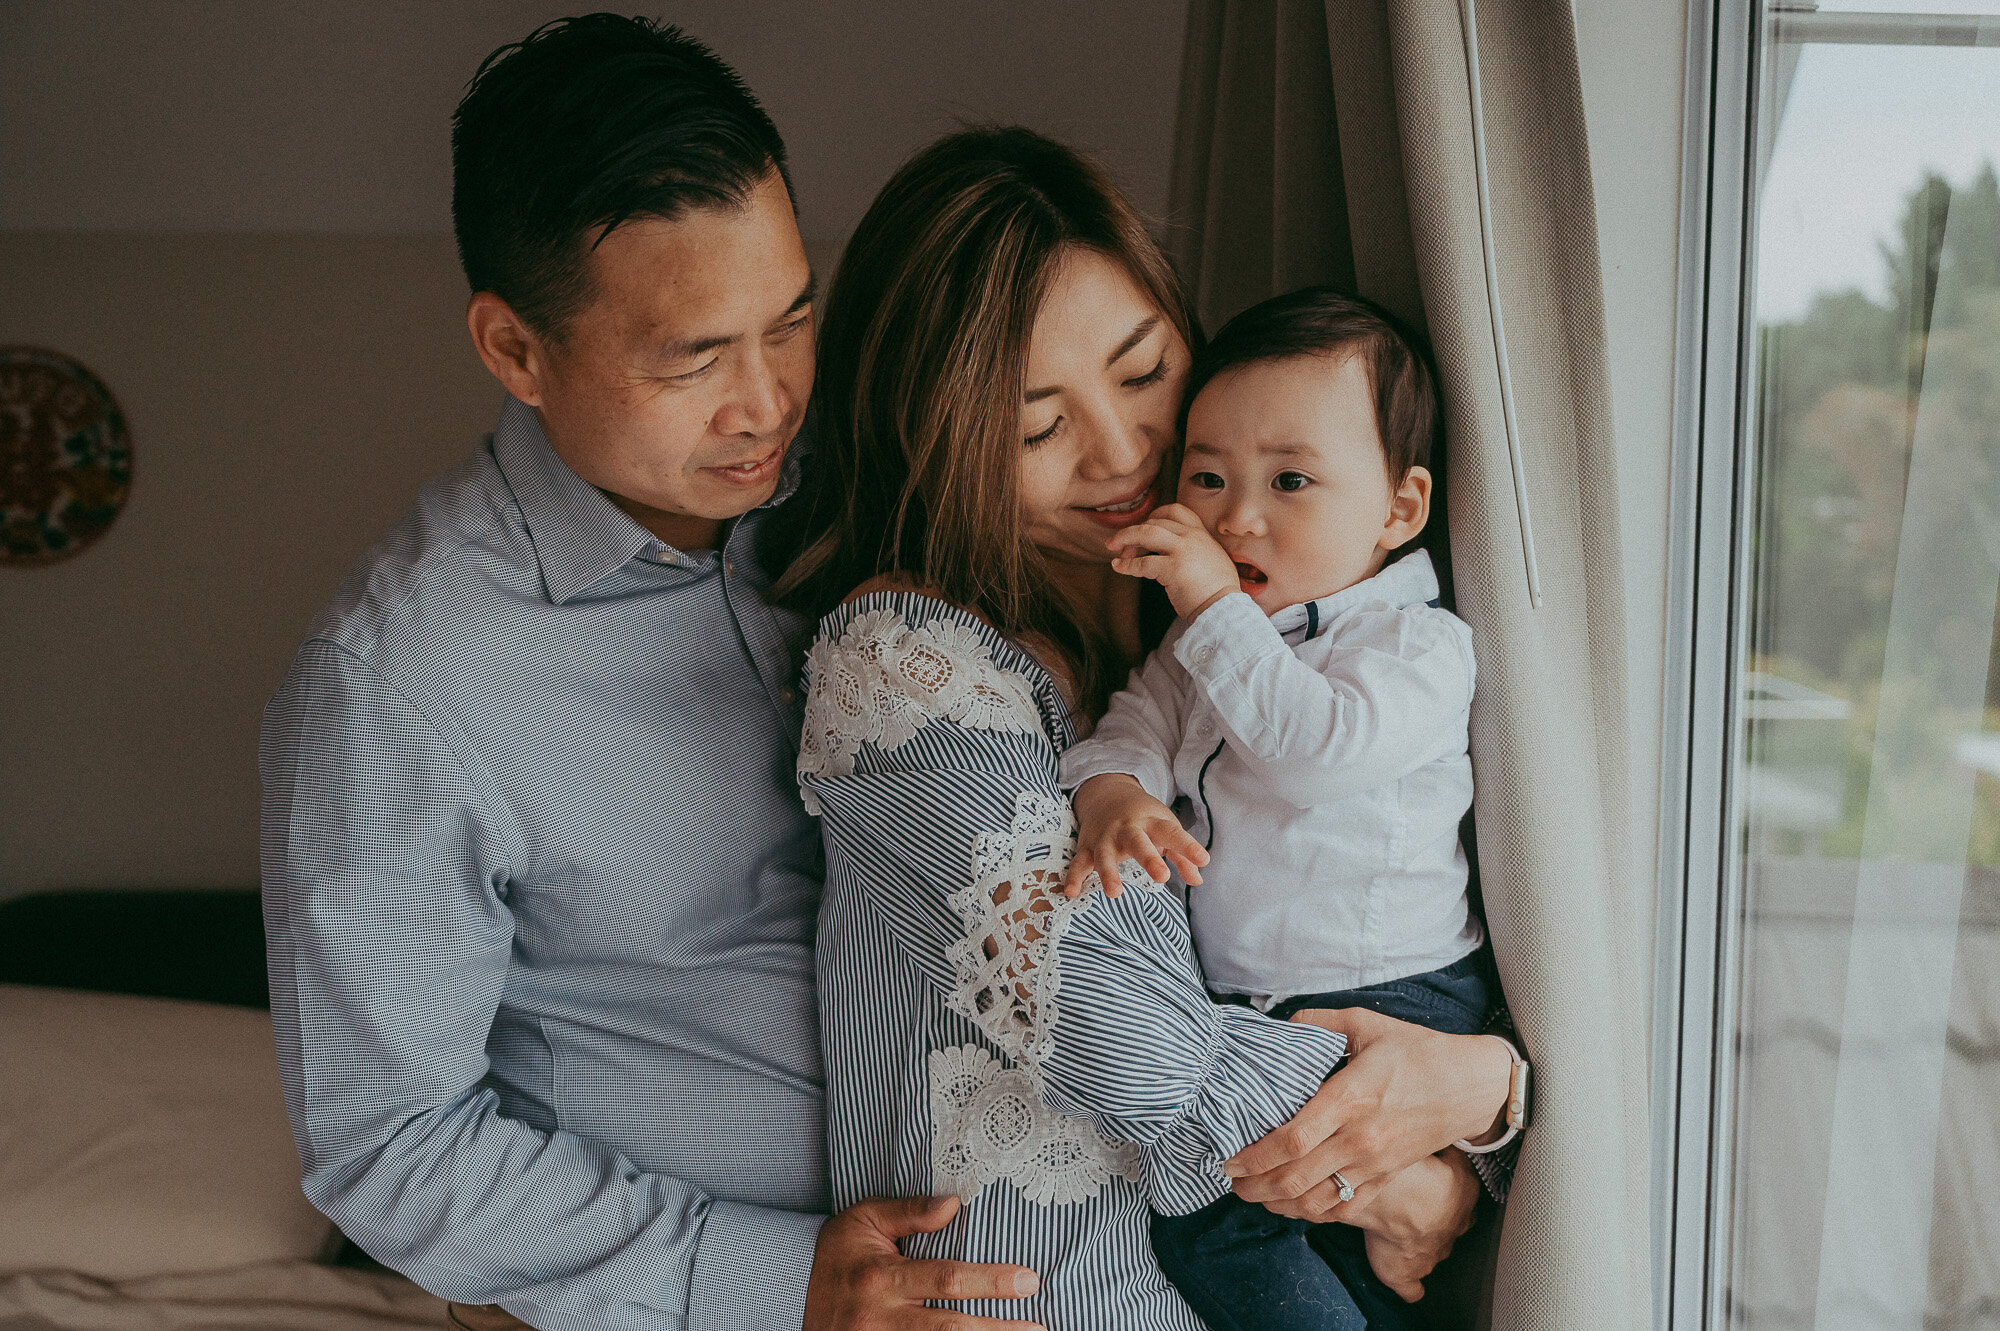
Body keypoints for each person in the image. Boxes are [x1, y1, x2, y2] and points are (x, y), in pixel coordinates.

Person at [260, 18, 1043, 1330]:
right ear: (513, 348)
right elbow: (388, 1145)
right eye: (692, 358)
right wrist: (770, 1279)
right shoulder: (397, 682)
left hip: (1060, 1236)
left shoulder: (869, 484)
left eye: (791, 317)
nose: (769, 401)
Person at [766, 127, 1522, 1329]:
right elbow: (1133, 1042)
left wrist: (1476, 1089)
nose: (1122, 453)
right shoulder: (902, 667)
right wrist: (1432, 1131)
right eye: (1034, 427)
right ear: (935, 437)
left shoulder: (1224, 626)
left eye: (1141, 370)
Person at [1056, 287, 1511, 1331]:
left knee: (1258, 1207)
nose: (1235, 515)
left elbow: (1312, 749)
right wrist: (1114, 790)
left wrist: (1214, 605)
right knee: (1219, 1217)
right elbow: (1132, 719)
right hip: (1242, 1008)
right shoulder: (1196, 646)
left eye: (1289, 480)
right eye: (1206, 476)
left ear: (1398, 508)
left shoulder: (1412, 645)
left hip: (1392, 993)